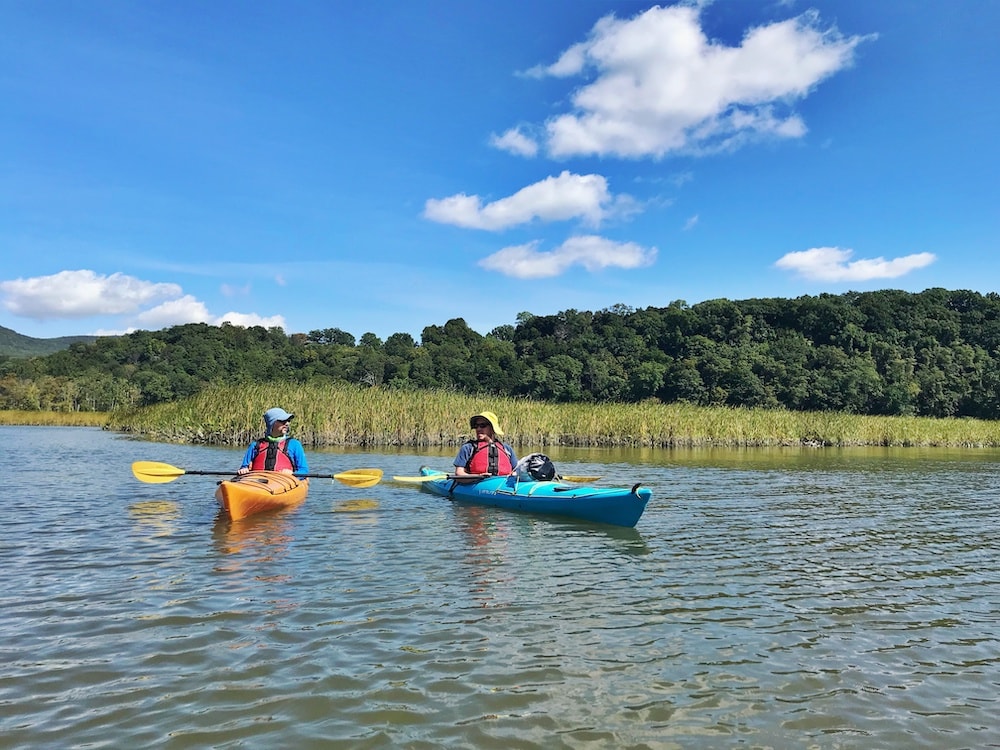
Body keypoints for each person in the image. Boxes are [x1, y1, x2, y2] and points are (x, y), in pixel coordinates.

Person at [237, 407, 309, 476]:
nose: (287, 424)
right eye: (282, 421)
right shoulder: (255, 445)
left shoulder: (294, 444)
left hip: (284, 481)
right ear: (272, 424)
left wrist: (292, 474)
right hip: (257, 481)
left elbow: (304, 471)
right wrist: (243, 469)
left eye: (288, 421)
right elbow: (244, 467)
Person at [453, 411, 517, 482]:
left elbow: (516, 471)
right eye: (476, 426)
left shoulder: (507, 449)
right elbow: (459, 473)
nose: (478, 429)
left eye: (482, 425)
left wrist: (514, 475)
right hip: (476, 484)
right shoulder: (468, 448)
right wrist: (478, 477)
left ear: (493, 429)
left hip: (504, 483)